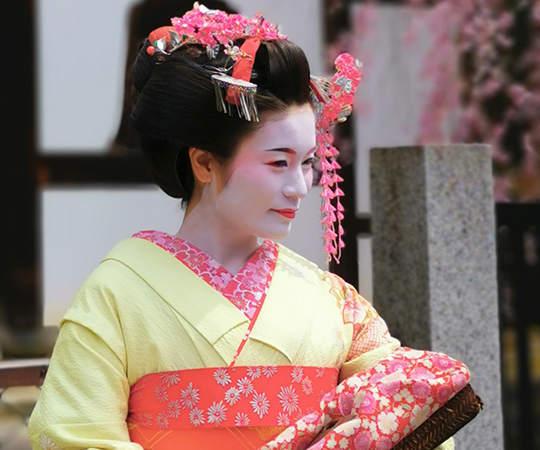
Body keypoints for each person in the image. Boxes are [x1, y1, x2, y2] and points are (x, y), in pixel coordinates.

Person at [28, 4, 468, 450]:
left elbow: (413, 413)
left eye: (308, 164)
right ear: (203, 162)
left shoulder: (334, 301)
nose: (300, 187)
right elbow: (72, 436)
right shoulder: (117, 292)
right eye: (279, 162)